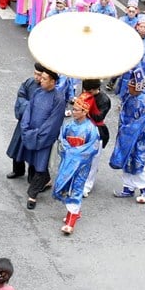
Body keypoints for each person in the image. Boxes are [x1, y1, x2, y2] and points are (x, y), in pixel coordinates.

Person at [52, 92, 100, 235]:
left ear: (85, 112)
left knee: (77, 188)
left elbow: (93, 147)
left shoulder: (91, 129)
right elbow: (62, 140)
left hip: (81, 164)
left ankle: (71, 219)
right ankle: (73, 211)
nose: (74, 112)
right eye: (73, 109)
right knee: (66, 185)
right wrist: (68, 151)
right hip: (68, 161)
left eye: (77, 110)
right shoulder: (68, 126)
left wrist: (75, 154)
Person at [19, 68, 67, 210]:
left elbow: (53, 122)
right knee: (33, 162)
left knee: (40, 165)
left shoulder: (58, 99)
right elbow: (28, 111)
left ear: (53, 81)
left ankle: (32, 195)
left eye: (45, 79)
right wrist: (26, 127)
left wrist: (38, 134)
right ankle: (46, 181)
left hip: (44, 137)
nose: (41, 80)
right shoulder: (37, 92)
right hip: (31, 133)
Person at [110, 68, 145, 204]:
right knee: (127, 160)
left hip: (141, 137)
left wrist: (127, 130)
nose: (128, 88)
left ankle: (144, 189)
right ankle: (128, 187)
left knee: (140, 162)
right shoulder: (130, 98)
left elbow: (141, 122)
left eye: (131, 86)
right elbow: (123, 114)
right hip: (127, 135)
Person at [5, 64, 44, 180]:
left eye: (40, 75)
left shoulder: (47, 88)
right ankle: (18, 170)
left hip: (36, 124)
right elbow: (21, 96)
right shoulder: (29, 82)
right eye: (35, 73)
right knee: (18, 145)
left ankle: (33, 176)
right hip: (24, 121)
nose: (36, 77)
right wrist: (29, 107)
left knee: (33, 150)